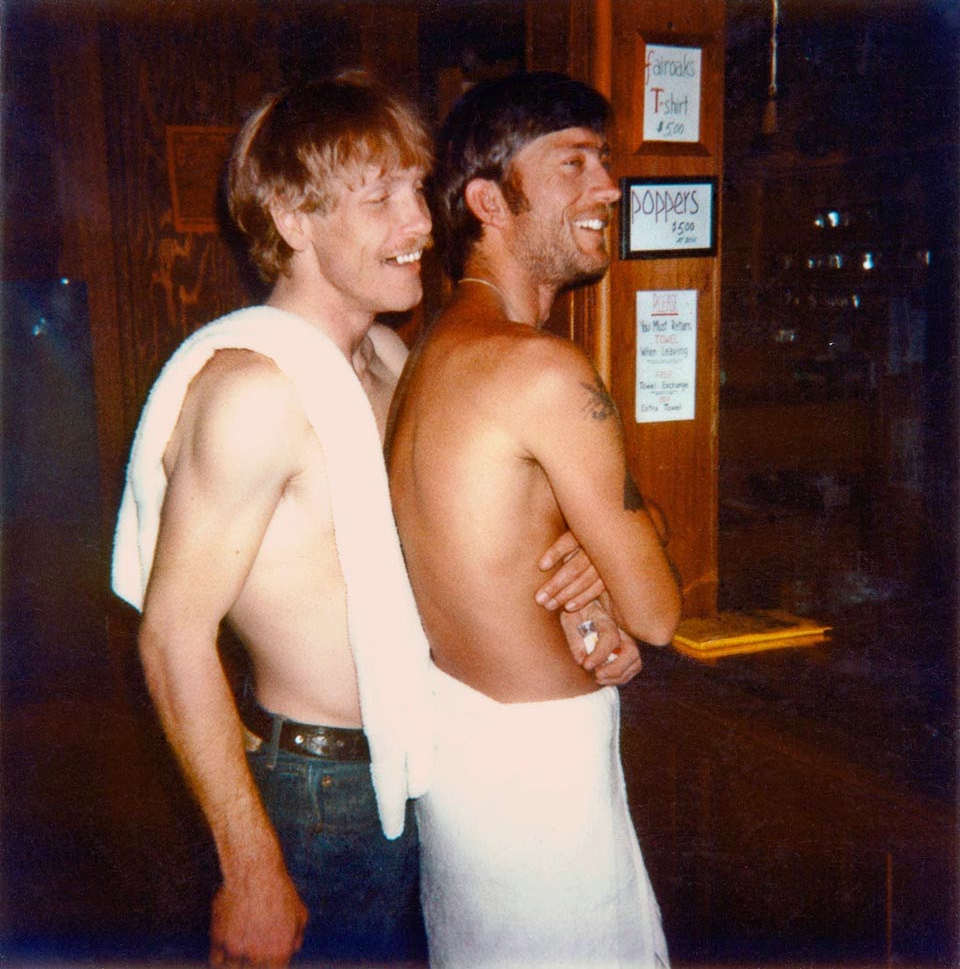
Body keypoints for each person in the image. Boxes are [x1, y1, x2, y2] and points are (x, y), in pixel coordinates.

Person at [111, 73, 629, 969]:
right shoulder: (255, 394)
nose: (421, 223)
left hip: (422, 763)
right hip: (314, 794)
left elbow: (463, 543)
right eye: (380, 198)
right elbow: (171, 637)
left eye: (417, 191)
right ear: (291, 218)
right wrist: (250, 865)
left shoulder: (389, 359)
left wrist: (583, 577)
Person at [387, 71, 683, 968]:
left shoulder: (427, 357)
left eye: (606, 161)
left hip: (466, 762)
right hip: (540, 784)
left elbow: (516, 545)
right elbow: (657, 613)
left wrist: (606, 548)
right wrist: (629, 550)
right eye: (574, 163)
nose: (610, 188)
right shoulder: (541, 370)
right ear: (489, 201)